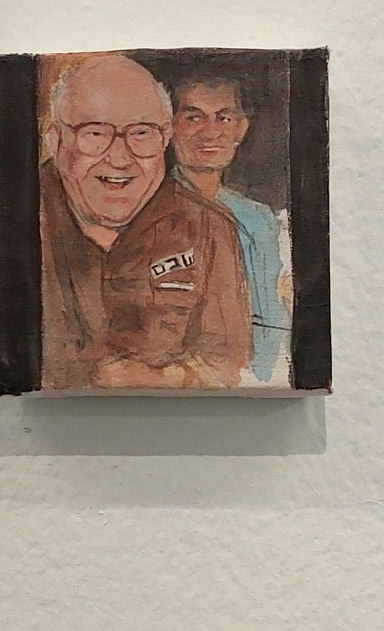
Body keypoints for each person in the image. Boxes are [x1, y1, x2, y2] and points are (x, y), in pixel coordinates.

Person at [39, 54, 251, 390]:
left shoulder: (208, 229)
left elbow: (228, 368)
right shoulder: (18, 221)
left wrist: (157, 379)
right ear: (55, 139)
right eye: (95, 133)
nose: (120, 158)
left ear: (166, 138)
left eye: (141, 133)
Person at [170, 75, 290, 383]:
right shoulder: (158, 214)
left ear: (241, 128)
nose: (210, 132)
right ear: (169, 127)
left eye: (224, 118)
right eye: (194, 117)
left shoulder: (260, 219)